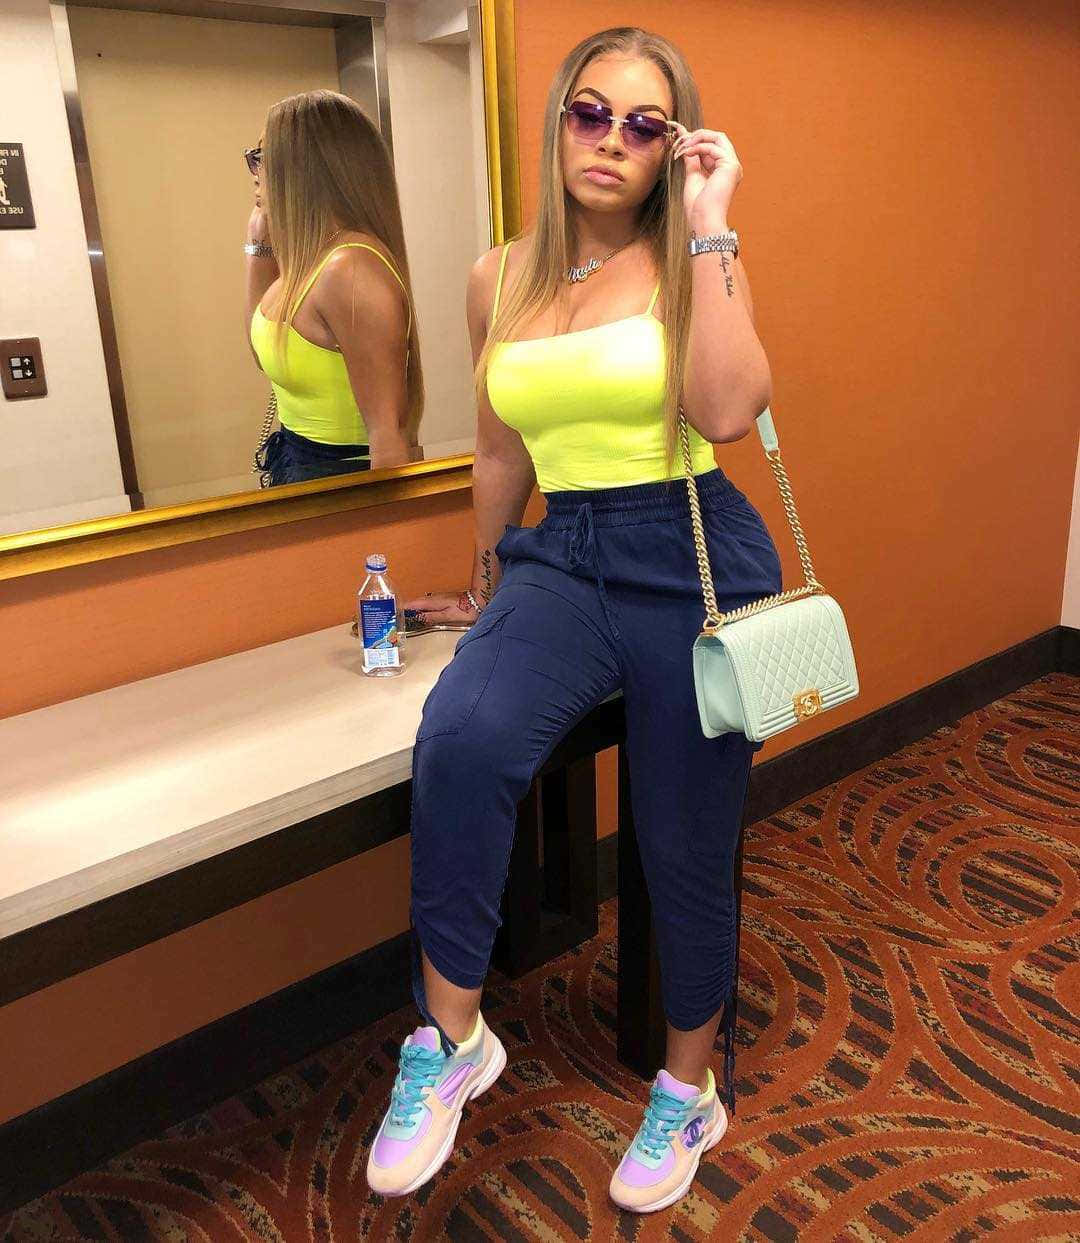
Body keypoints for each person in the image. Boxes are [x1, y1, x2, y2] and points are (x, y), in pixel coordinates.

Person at [366, 27, 783, 1214]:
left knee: (680, 829)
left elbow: (730, 410)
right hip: (564, 553)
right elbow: (503, 445)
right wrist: (489, 577)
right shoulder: (497, 278)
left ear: (673, 148)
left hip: (689, 548)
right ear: (559, 120)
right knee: (463, 735)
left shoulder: (693, 259)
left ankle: (689, 1086)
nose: (611, 140)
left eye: (646, 126)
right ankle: (451, 1040)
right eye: (591, 112)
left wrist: (711, 220)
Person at [243, 90, 423, 485]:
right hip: (296, 462)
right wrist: (258, 241)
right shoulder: (311, 260)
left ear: (305, 169)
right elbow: (261, 352)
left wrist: (384, 520)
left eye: (264, 156)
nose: (255, 169)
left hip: (341, 478)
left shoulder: (349, 270)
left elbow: (387, 434)